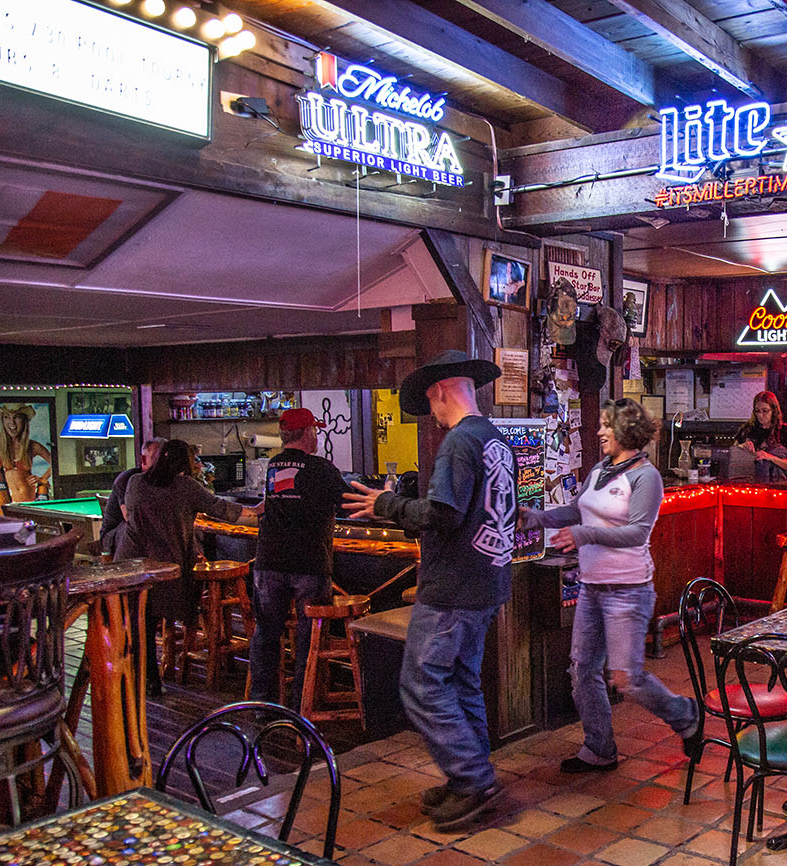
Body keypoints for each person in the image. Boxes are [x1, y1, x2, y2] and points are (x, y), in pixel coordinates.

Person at [342, 350, 515, 831]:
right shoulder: (495, 437)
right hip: (487, 580)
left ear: (440, 391)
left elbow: (442, 514)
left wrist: (387, 503)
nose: (433, 416)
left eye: (431, 404)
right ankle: (469, 780)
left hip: (452, 587)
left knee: (419, 684)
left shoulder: (460, 441)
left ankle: (473, 776)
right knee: (461, 682)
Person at [519, 399, 698, 773]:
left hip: (627, 591)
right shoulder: (601, 469)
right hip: (592, 588)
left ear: (626, 432)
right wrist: (538, 517)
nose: (599, 432)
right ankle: (600, 748)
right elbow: (578, 509)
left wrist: (583, 535)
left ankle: (684, 714)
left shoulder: (646, 477)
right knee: (582, 671)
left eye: (606, 426)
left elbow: (636, 533)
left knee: (626, 679)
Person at [116, 439, 257, 695]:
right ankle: (151, 679)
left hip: (131, 562)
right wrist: (257, 511)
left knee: (140, 622)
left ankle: (144, 679)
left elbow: (134, 516)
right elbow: (222, 510)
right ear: (186, 463)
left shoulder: (135, 483)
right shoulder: (185, 487)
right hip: (168, 565)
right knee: (153, 617)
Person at [248, 408, 345, 709]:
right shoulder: (322, 469)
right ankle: (304, 705)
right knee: (308, 638)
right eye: (315, 430)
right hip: (309, 562)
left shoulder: (274, 465)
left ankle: (262, 705)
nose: (316, 435)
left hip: (269, 561)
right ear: (307, 434)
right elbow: (347, 502)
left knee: (266, 635)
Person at [0, 403, 52, 514]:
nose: (12, 422)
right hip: (4, 503)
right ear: (2, 420)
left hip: (30, 502)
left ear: (24, 420)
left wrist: (42, 478)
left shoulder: (32, 446)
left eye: (17, 417)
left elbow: (56, 463)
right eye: (6, 417)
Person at [100, 439, 164, 558]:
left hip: (144, 533)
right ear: (143, 459)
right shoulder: (128, 479)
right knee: (135, 526)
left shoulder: (166, 479)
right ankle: (126, 572)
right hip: (114, 535)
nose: (162, 463)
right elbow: (129, 516)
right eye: (156, 457)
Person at [733, 390, 787, 482]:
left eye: (765, 411)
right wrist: (741, 448)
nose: (760, 415)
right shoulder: (747, 430)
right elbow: (733, 457)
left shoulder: (784, 431)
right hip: (752, 483)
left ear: (774, 411)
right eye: (757, 411)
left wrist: (770, 457)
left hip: (779, 483)